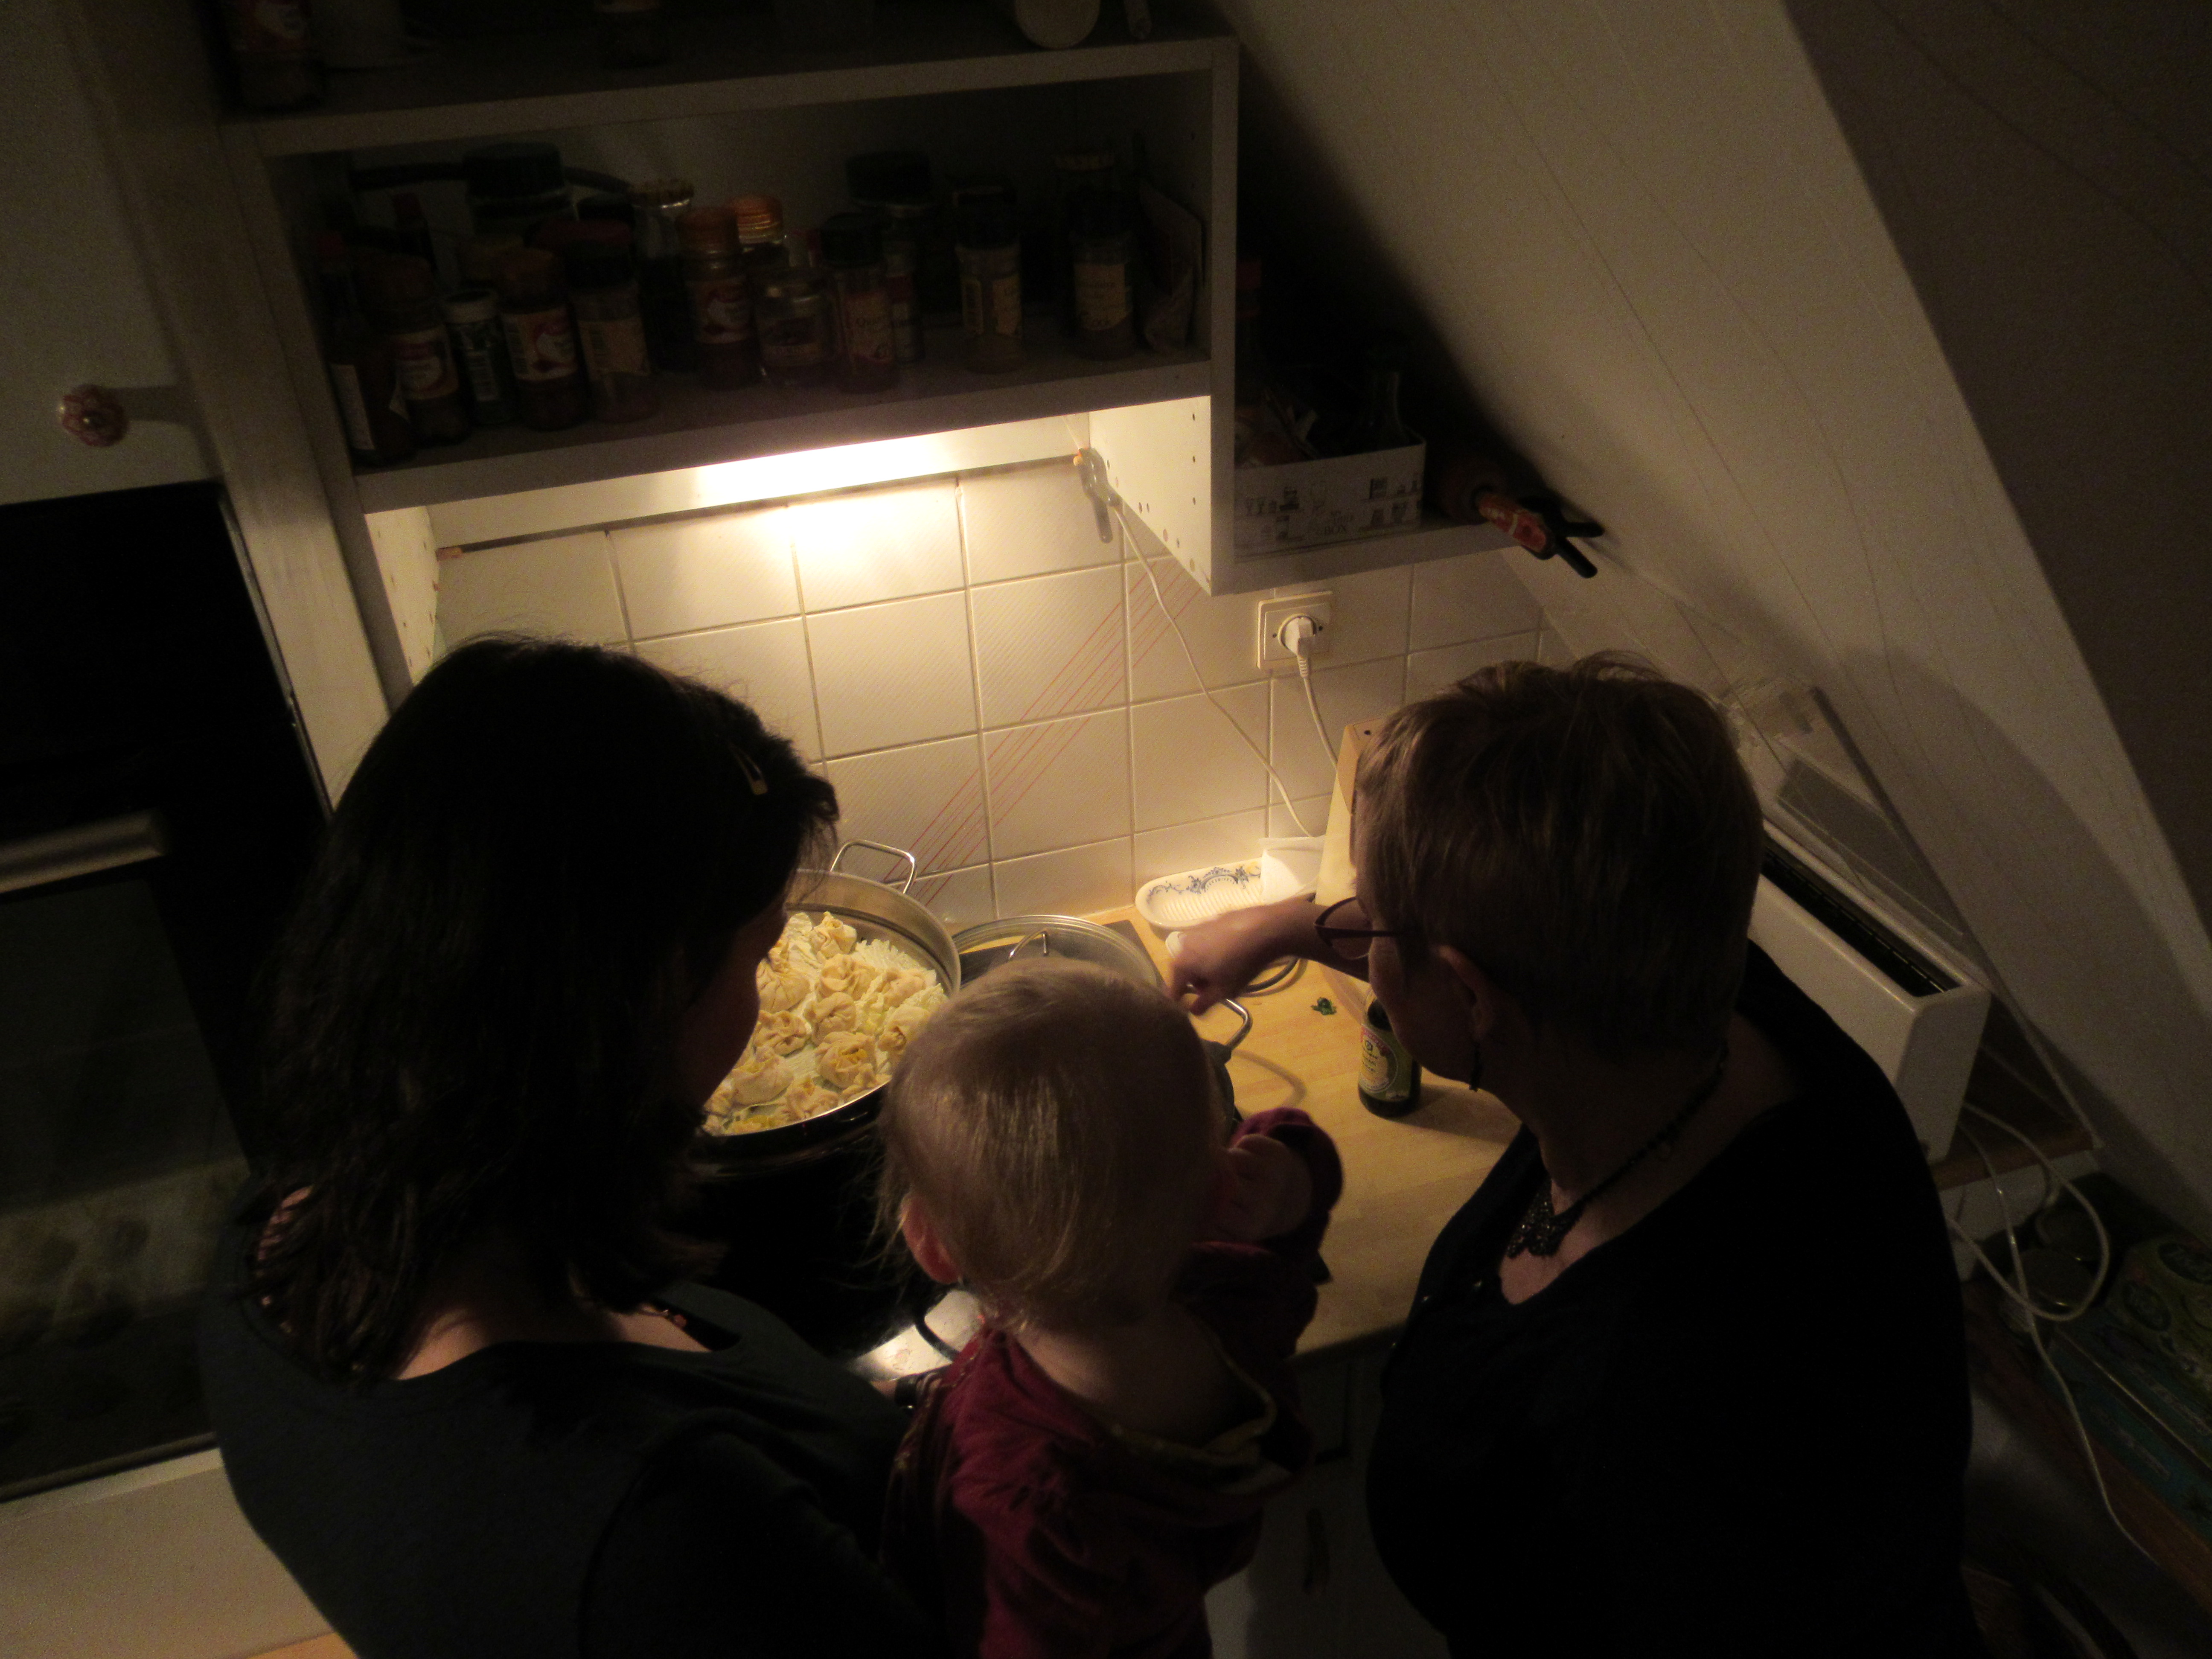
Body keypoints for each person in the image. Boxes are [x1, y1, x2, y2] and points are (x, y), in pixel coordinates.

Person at [1170, 655, 1984, 1657]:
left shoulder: (1642, 1419)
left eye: (1369, 920)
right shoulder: (1692, 985)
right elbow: (1511, 939)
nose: (1361, 940)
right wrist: (1280, 927)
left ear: (1471, 997)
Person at [197, 637, 943, 1659]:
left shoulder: (268, 1253)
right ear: (647, 993)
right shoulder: (667, 1533)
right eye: (761, 951)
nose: (759, 997)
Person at [875, 957, 1344, 1659]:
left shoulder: (1021, 1499)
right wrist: (1288, 1179)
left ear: (931, 1247)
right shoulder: (1232, 1296)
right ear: (1218, 1197)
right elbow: (1299, 1195)